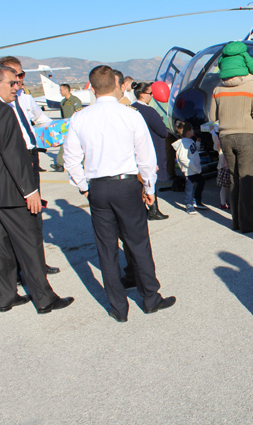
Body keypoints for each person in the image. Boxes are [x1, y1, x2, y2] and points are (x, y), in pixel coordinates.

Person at [64, 65, 175, 322]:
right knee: (138, 243)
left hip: (98, 187)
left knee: (106, 249)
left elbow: (71, 159)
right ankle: (150, 297)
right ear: (117, 83)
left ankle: (118, 307)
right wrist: (149, 188)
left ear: (91, 87)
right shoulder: (130, 115)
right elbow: (146, 158)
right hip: (126, 186)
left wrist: (84, 187)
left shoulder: (80, 117)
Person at [0, 65, 73, 314]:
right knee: (29, 245)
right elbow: (13, 155)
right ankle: (45, 299)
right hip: (12, 192)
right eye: (11, 84)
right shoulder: (3, 112)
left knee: (0, 247)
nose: (16, 88)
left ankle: (6, 296)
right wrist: (30, 191)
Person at [210, 41, 253, 234]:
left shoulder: (218, 88)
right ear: (245, 61)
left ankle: (236, 221)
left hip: (226, 136)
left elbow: (212, 117)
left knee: (235, 180)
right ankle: (247, 223)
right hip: (247, 136)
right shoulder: (252, 84)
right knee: (246, 180)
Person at [131, 81, 169, 220]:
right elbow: (162, 131)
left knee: (139, 180)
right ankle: (153, 210)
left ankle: (144, 209)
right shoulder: (149, 111)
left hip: (134, 150)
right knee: (150, 179)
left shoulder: (131, 109)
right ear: (143, 95)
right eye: (150, 93)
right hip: (150, 148)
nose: (152, 96)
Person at [172, 122, 206, 214]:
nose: (193, 131)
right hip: (190, 170)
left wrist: (197, 144)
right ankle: (189, 204)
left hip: (195, 169)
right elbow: (182, 158)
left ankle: (197, 200)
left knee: (201, 182)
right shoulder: (183, 143)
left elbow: (193, 151)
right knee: (189, 188)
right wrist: (192, 166)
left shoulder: (190, 141)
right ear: (187, 132)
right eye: (191, 129)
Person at [51, 83, 82, 172]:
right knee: (62, 145)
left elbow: (78, 114)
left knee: (79, 146)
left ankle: (83, 164)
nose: (60, 92)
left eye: (61, 90)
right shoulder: (63, 102)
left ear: (66, 90)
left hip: (74, 126)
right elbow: (62, 116)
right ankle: (60, 165)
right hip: (65, 127)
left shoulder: (75, 100)